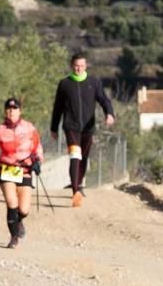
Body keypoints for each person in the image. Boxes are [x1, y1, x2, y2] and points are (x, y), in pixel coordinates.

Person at [49, 51, 116, 208]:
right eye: (76, 66)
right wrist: (54, 128)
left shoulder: (94, 82)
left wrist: (110, 113)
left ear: (86, 66)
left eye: (81, 66)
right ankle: (75, 191)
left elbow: (104, 100)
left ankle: (79, 184)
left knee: (84, 158)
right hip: (70, 126)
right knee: (75, 155)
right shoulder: (64, 84)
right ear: (71, 66)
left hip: (88, 127)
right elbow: (57, 107)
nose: (78, 69)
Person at [0, 98, 43, 249]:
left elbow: (37, 147)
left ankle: (19, 221)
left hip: (25, 169)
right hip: (7, 168)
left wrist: (38, 161)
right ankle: (14, 237)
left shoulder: (29, 128)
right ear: (5, 111)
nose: (11, 111)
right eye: (8, 108)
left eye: (14, 108)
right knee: (11, 202)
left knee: (24, 209)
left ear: (20, 111)